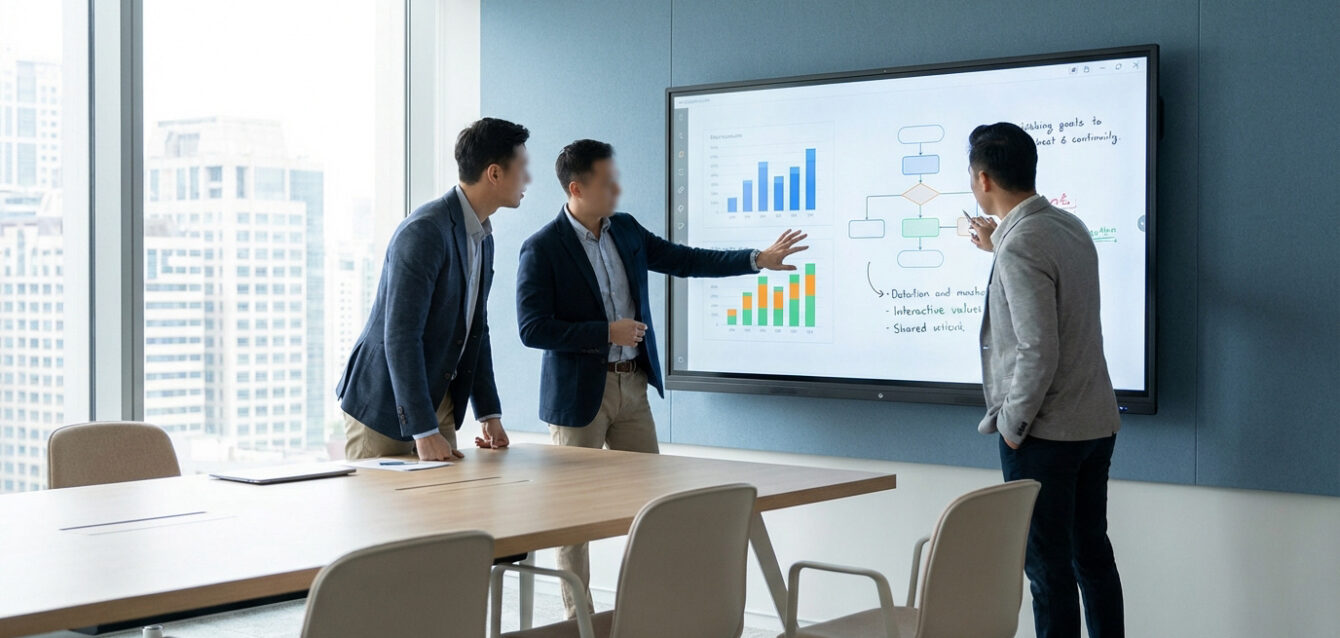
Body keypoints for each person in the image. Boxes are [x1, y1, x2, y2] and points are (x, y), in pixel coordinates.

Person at [515, 138, 807, 618]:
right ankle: (578, 620)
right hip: (578, 398)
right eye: (608, 183)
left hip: (632, 387)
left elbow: (685, 259)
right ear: (576, 188)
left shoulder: (624, 230)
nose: (618, 189)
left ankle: (645, 612)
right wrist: (605, 331)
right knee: (573, 520)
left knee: (652, 508)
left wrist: (757, 259)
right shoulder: (543, 247)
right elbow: (532, 329)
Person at [965, 122, 1125, 638]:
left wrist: (1012, 424)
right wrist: (999, 246)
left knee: (1048, 574)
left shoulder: (1021, 245)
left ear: (983, 178)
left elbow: (1038, 348)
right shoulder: (1067, 226)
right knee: (1091, 558)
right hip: (1094, 424)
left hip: (1044, 433)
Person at [336, 118, 531, 461]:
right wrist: (423, 431)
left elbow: (475, 329)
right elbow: (401, 335)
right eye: (522, 168)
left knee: (443, 510)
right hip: (384, 404)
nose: (528, 179)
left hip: (436, 400)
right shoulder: (426, 231)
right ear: (495, 173)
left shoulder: (483, 236)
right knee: (383, 514)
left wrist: (488, 412)